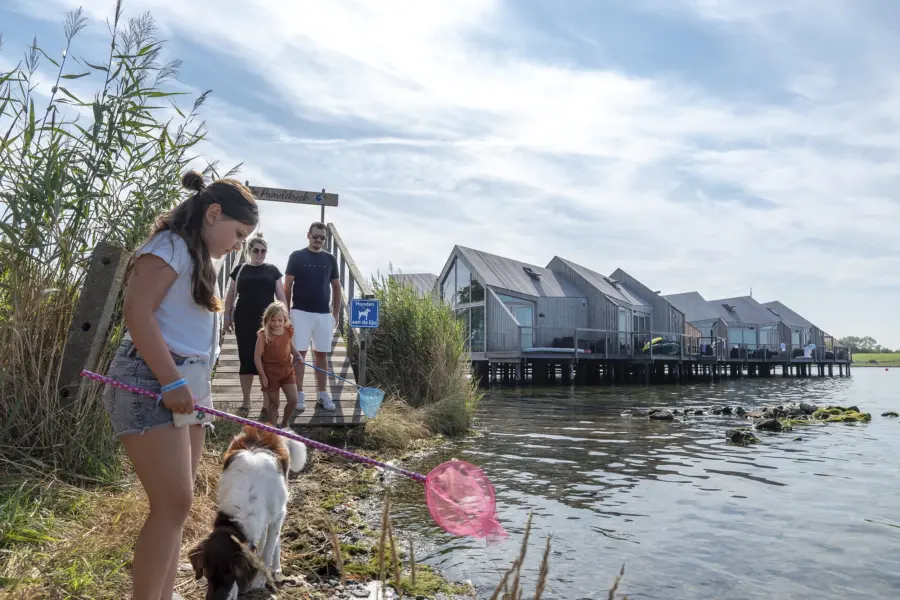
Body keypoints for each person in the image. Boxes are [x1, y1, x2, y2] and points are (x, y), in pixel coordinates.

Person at [102, 170, 257, 600]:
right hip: (150, 378)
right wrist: (170, 381)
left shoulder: (202, 259)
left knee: (179, 509)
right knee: (171, 505)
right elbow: (137, 312)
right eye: (238, 232)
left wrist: (188, 386)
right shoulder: (168, 246)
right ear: (213, 213)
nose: (239, 243)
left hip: (187, 384)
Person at [222, 233, 286, 419]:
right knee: (246, 358)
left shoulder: (272, 270)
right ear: (249, 251)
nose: (260, 254)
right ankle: (246, 400)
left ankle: (266, 403)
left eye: (263, 251)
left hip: (268, 322)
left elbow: (281, 296)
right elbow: (231, 294)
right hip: (244, 319)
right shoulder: (240, 269)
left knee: (267, 360)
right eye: (256, 250)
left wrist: (285, 320)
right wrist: (227, 317)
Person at [284, 221, 341, 412]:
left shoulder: (330, 259)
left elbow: (336, 287)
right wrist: (286, 311)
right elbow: (287, 285)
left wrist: (335, 314)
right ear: (308, 235)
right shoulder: (297, 256)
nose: (318, 240)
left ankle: (322, 395)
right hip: (300, 311)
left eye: (322, 238)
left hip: (323, 314)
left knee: (322, 354)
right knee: (299, 354)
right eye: (315, 236)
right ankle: (299, 394)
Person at [254, 301, 301, 428]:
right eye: (273, 320)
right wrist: (262, 375)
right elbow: (257, 356)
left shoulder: (287, 330)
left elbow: (289, 345)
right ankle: (273, 430)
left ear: (284, 318)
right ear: (267, 319)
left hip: (287, 370)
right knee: (274, 404)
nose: (277, 323)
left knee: (293, 400)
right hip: (270, 373)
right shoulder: (263, 335)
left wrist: (297, 354)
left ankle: (285, 423)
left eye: (280, 320)